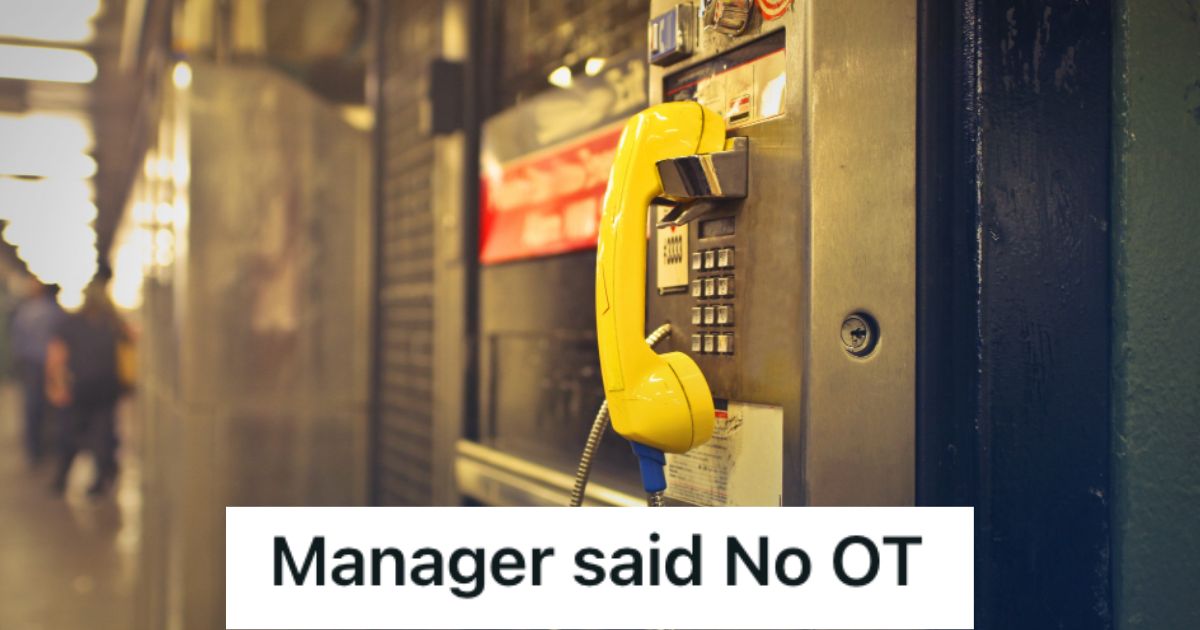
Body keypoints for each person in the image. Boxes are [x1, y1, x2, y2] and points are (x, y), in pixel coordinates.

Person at [45, 273, 129, 497]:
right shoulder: (112, 323)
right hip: (105, 388)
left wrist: (57, 386)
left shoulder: (71, 324)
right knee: (101, 436)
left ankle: (63, 480)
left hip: (81, 388)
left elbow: (55, 358)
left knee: (70, 435)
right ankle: (100, 481)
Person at [8, 279, 65, 466]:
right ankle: (53, 447)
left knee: (32, 406)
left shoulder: (25, 311)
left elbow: (17, 339)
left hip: (30, 363)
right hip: (52, 364)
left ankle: (34, 450)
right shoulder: (55, 312)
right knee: (53, 404)